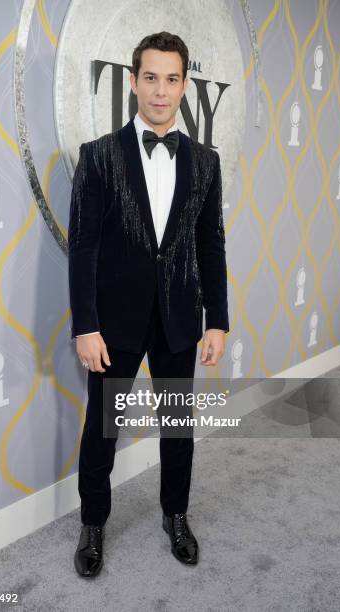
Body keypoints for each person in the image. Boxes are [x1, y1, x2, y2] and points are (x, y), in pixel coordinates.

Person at [68, 31, 230, 578]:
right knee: (103, 430)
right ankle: (93, 524)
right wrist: (86, 325)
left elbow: (211, 244)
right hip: (114, 322)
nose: (161, 91)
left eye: (173, 79)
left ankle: (176, 516)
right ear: (134, 80)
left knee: (178, 426)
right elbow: (84, 247)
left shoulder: (206, 162)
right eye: (151, 77)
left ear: (186, 85)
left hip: (181, 317)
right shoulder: (98, 157)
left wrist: (218, 321)